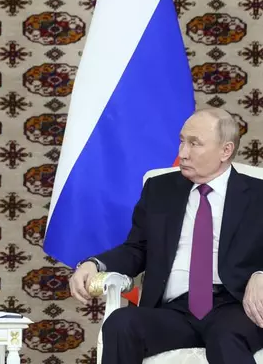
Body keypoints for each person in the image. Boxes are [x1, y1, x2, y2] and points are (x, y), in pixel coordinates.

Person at [69, 108, 263, 364]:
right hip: (175, 310)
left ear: (225, 151)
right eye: (182, 141)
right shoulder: (160, 189)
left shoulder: (258, 195)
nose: (182, 152)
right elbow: (136, 249)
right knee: (121, 323)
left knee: (225, 336)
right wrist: (94, 264)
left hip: (234, 307)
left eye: (195, 144)